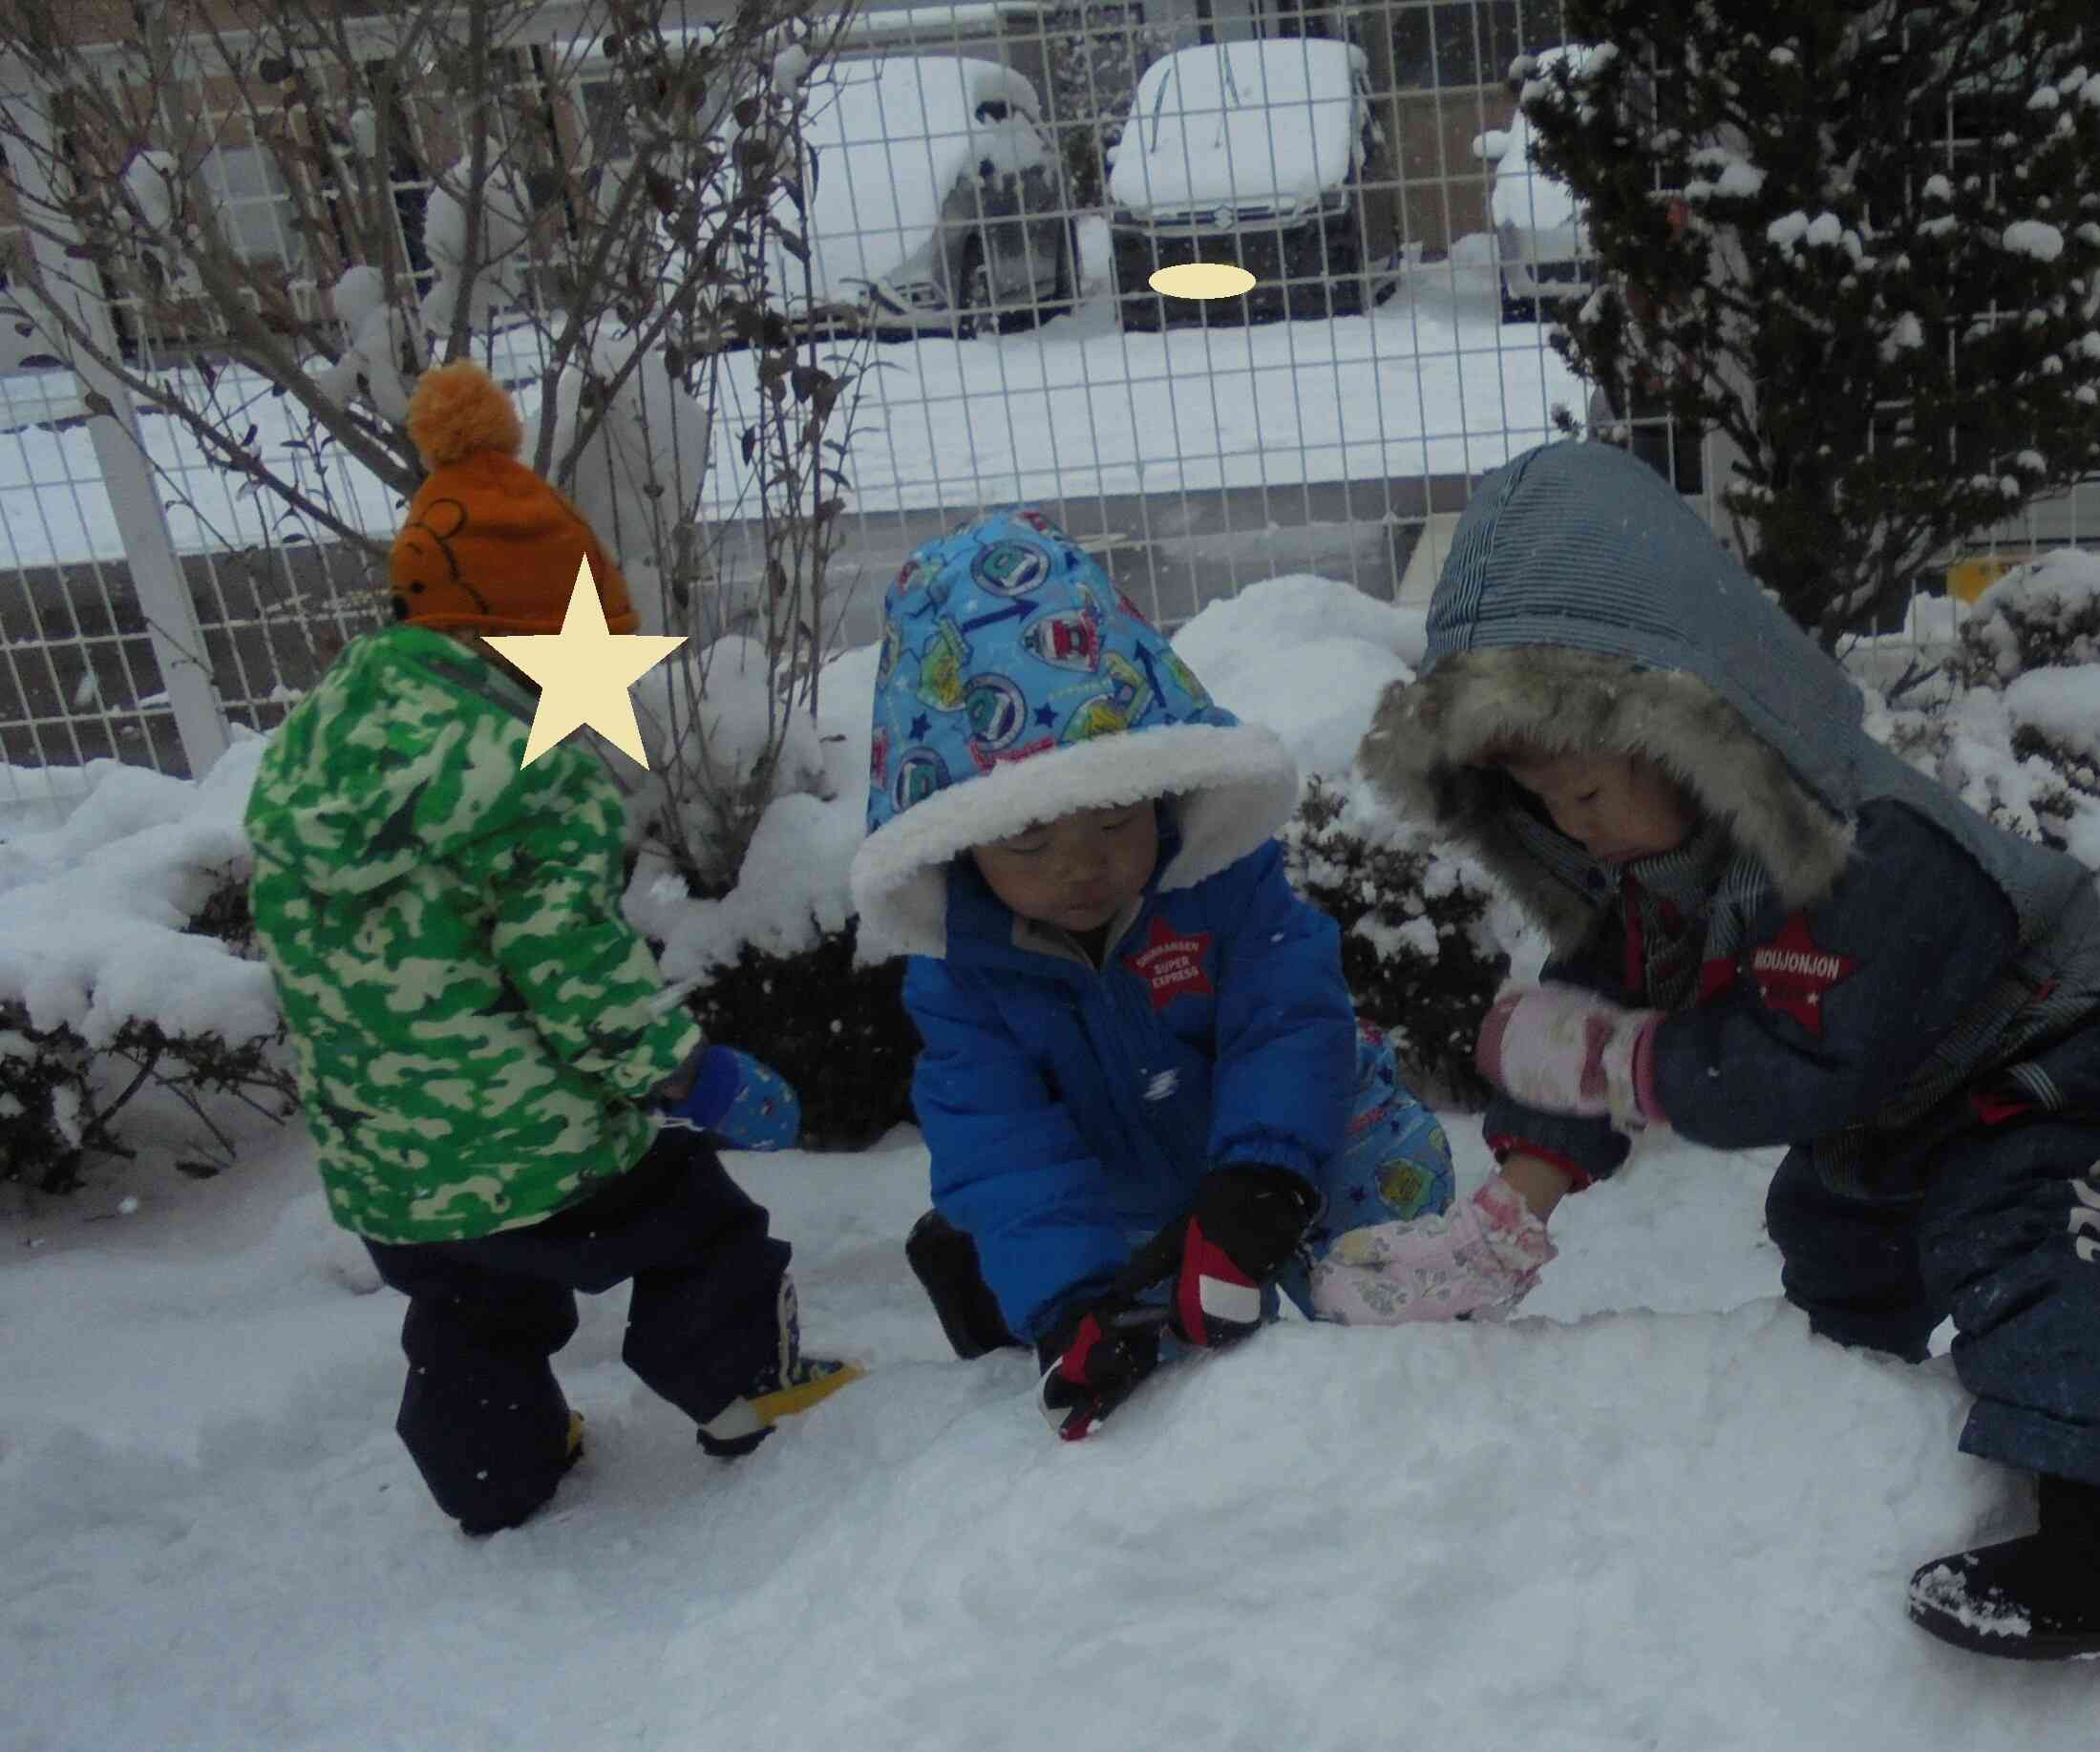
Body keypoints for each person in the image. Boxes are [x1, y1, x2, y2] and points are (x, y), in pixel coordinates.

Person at [1326, 438, 2100, 1663]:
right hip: (1903, 1086)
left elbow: (1795, 1062)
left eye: (1584, 795)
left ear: (1684, 721)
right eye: (1541, 810)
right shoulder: (1666, 860)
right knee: (1833, 1229)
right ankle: (1859, 1419)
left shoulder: (1863, 844)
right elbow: (1607, 1013)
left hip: (2045, 1054)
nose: (1572, 829)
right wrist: (1512, 1207)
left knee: (2012, 1232)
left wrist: (1621, 1065)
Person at [244, 361, 854, 1537]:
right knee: (696, 1222)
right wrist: (688, 1075)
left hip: (389, 1172)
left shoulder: (312, 760)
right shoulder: (532, 776)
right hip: (533, 1149)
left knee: (470, 1311)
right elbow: (574, 971)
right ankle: (738, 1392)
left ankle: (496, 1474)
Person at [850, 514, 1454, 1440]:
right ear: (961, 841)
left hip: (1290, 1135)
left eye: (1111, 822)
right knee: (1102, 1301)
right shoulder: (961, 985)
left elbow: (1289, 1020)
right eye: (1028, 839)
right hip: (1121, 1190)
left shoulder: (1219, 883)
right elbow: (1003, 1146)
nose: (1078, 867)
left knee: (1383, 1186)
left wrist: (1263, 1178)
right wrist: (1071, 1305)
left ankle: (1418, 1377)